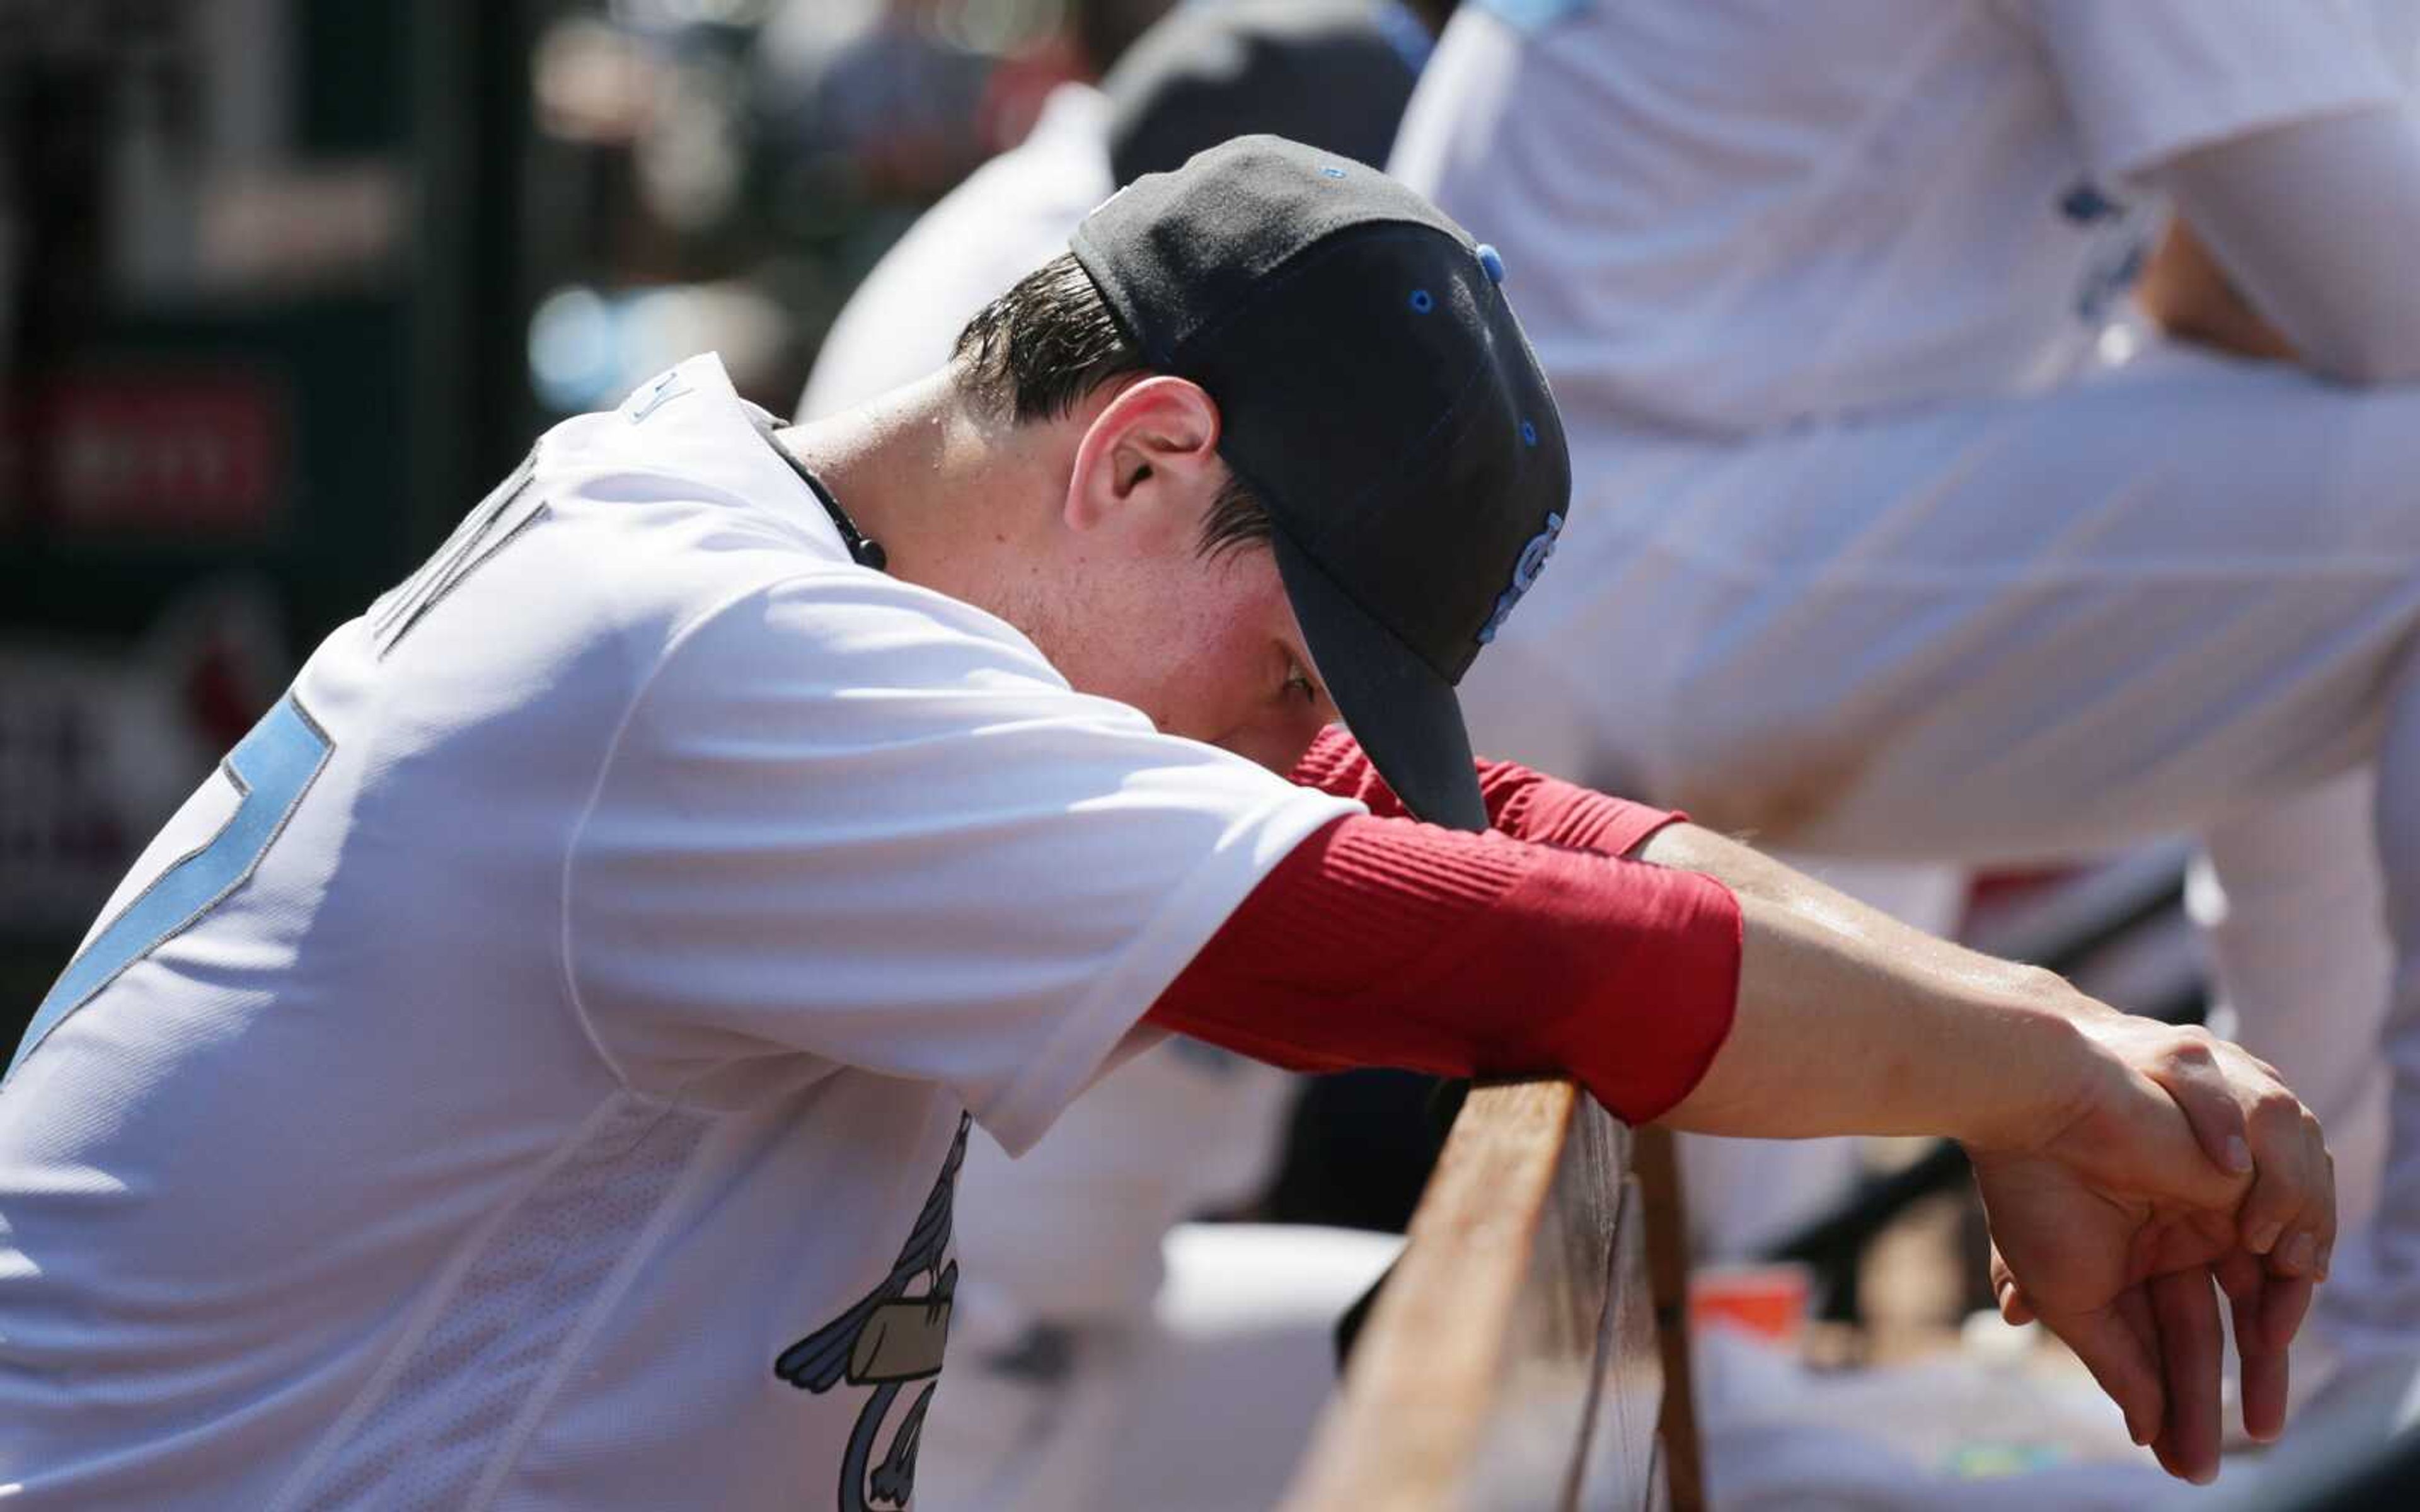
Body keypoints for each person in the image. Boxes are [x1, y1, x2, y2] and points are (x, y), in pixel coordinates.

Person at [0, 137, 2329, 1506]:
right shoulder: (730, 659)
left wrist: (2046, 1033)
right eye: (1294, 667)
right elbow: (1522, 962)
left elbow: (1531, 849)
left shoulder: (745, 542)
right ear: (1138, 457)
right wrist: (2076, 1081)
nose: (1283, 742)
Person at [1390, 0, 2420, 1416]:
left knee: (1714, 1373)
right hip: (1624, 559)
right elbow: (2380, 303)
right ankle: (2370, 1343)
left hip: (1625, 539)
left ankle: (2329, 1339)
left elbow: (2257, 323)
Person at [797, 4, 1449, 1507]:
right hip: (910, 1338)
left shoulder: (1125, 256)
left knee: (1558, 1382)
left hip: (1079, 1288)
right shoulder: (1010, 337)